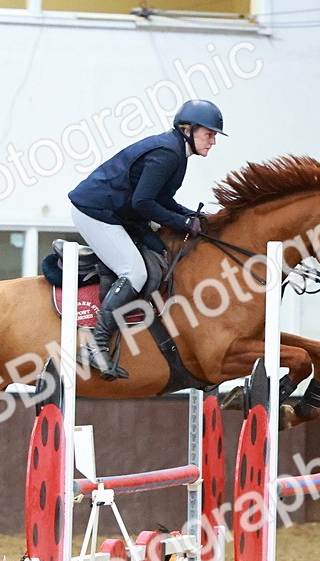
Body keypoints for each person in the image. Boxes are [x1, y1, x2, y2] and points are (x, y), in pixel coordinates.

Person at [67, 99, 225, 380]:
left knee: (159, 252)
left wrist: (193, 216)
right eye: (209, 134)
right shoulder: (168, 153)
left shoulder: (177, 152)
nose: (213, 142)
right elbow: (143, 203)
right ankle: (95, 344)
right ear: (187, 129)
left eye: (214, 136)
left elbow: (161, 200)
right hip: (95, 212)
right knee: (135, 272)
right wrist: (184, 223)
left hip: (120, 214)